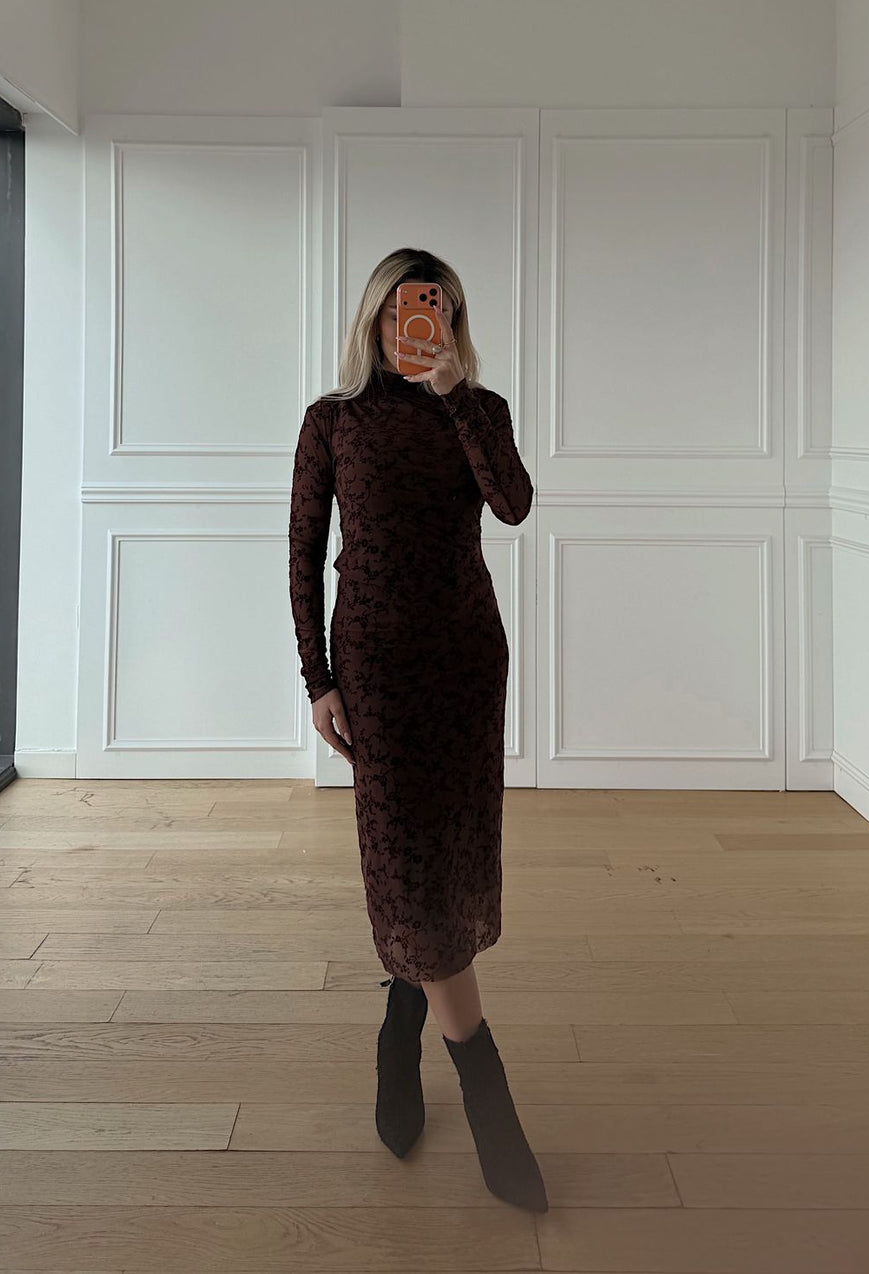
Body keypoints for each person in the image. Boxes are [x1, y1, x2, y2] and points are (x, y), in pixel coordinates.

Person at [288, 247, 547, 1212]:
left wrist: (456, 398)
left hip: (466, 663)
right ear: (376, 319)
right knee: (403, 860)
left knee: (446, 854)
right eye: (403, 311)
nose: (420, 326)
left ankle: (402, 1024)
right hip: (377, 672)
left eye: (437, 312)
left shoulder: (479, 410)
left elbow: (513, 506)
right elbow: (304, 555)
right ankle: (486, 1094)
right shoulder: (332, 421)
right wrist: (318, 680)